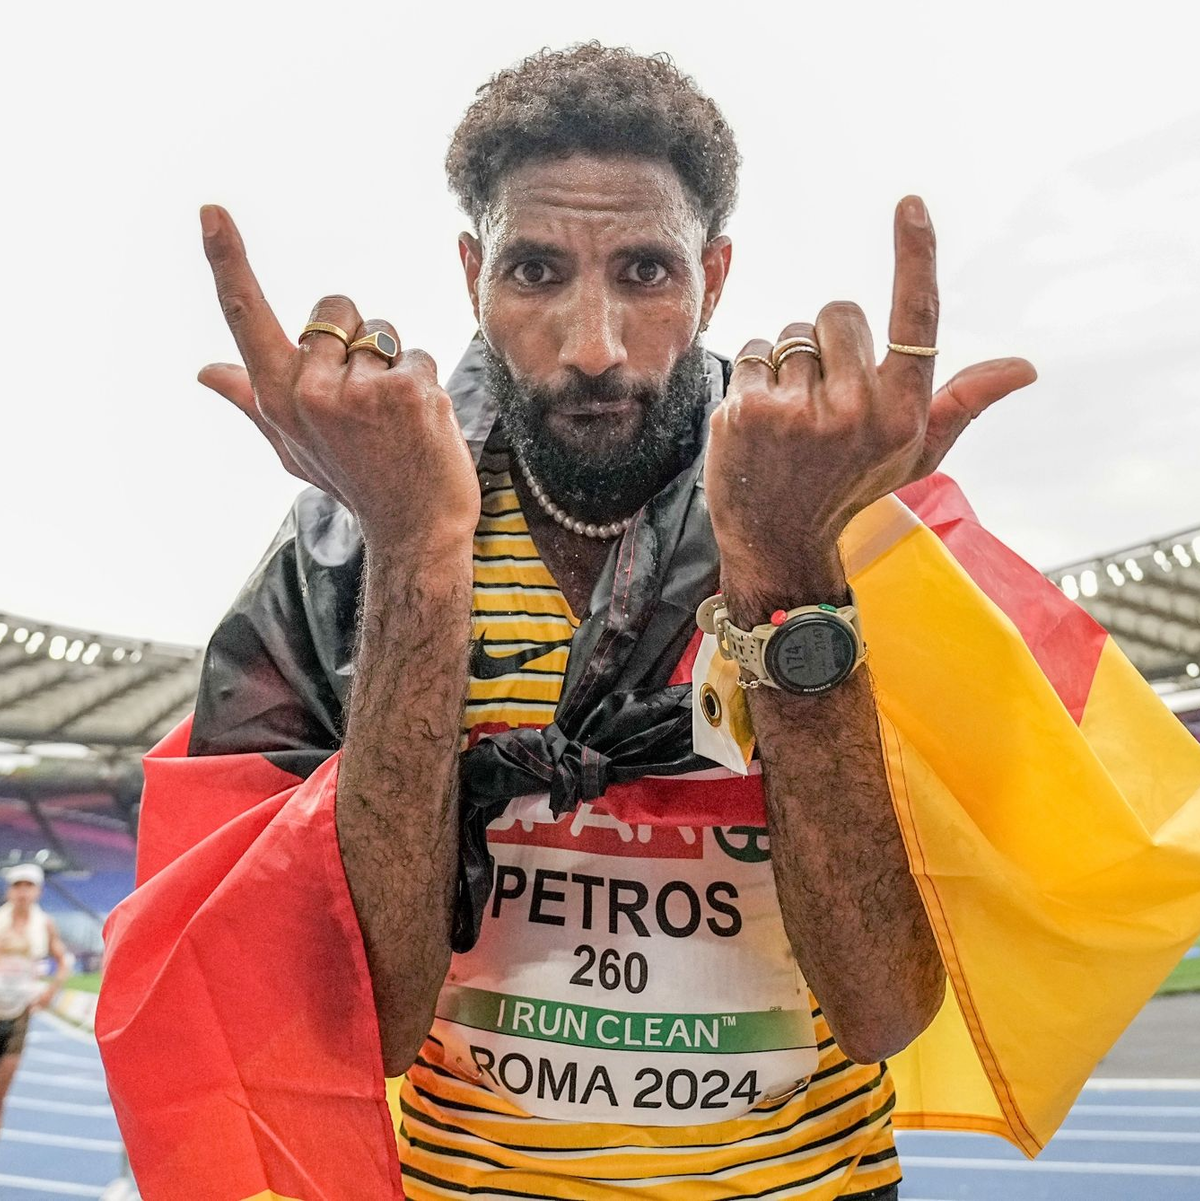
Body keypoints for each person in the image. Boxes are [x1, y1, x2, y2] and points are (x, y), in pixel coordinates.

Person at [102, 43, 1077, 1200]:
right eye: (535, 270)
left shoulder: (833, 497)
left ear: (714, 274)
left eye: (647, 271)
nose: (594, 345)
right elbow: (368, 1024)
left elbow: (881, 1008)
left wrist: (781, 572)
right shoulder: (373, 522)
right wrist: (418, 555)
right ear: (471, 274)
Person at [0, 864, 70, 1125]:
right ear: (9, 890)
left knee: (1, 1093)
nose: (22, 892)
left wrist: (51, 991)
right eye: (17, 885)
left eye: (28, 886)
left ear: (38, 891)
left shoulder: (45, 925)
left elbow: (64, 961)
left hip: (19, 1015)